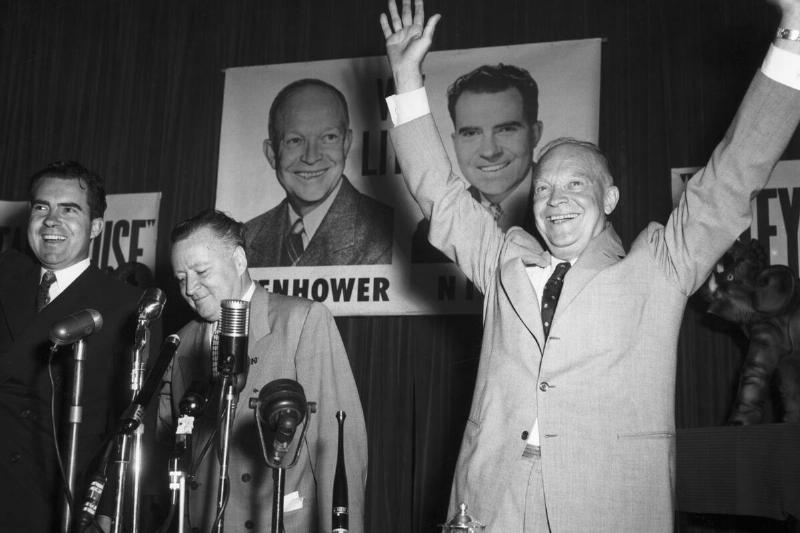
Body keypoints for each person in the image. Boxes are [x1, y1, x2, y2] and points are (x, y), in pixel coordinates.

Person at [380, 0, 800, 530]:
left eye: (576, 184)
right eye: (545, 188)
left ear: (610, 199)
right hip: (492, 501)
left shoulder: (659, 265)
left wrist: (793, 37)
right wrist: (404, 75)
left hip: (606, 503)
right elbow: (438, 192)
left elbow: (734, 175)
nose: (556, 199)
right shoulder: (502, 260)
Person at [160, 209, 368, 532]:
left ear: (239, 261)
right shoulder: (180, 343)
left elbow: (339, 446)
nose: (190, 288)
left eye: (201, 271)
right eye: (181, 278)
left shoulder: (302, 322)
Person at [0, 161, 142, 532]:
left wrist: (108, 507)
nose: (50, 220)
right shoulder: (4, 278)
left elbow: (129, 418)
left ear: (96, 226)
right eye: (41, 206)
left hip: (60, 501)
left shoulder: (126, 306)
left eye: (69, 209)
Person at [245, 78, 394, 267]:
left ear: (346, 144)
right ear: (272, 154)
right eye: (295, 140)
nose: (311, 157)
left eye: (328, 137)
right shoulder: (244, 240)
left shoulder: (388, 232)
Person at [412, 63, 543, 263]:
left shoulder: (567, 212)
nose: (490, 152)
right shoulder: (431, 231)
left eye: (505, 129)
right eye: (471, 133)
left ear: (534, 134)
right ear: (455, 142)